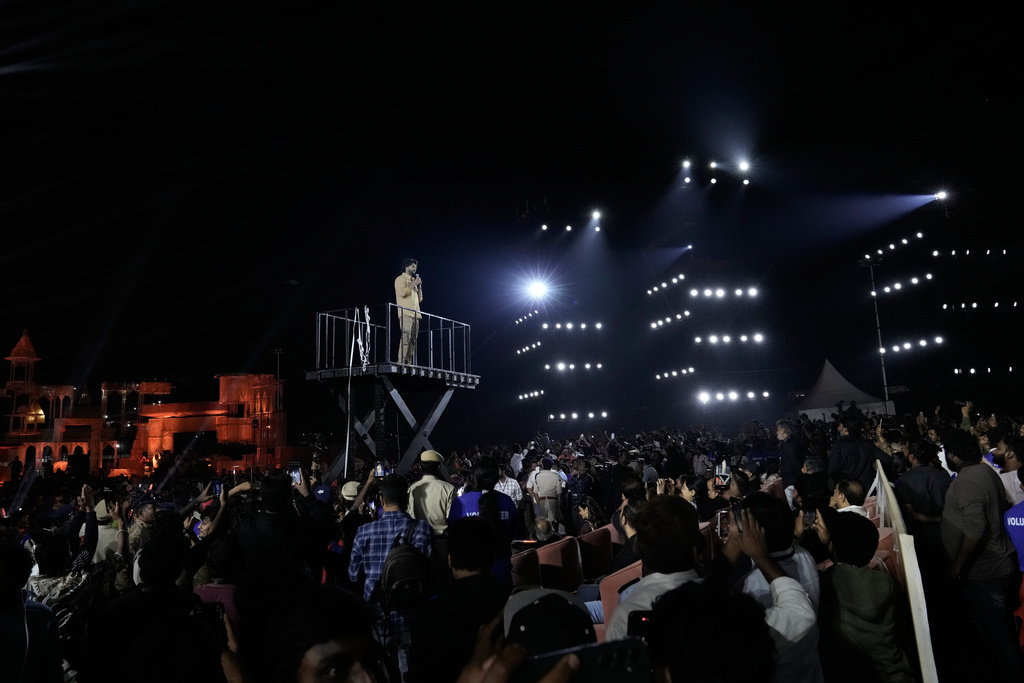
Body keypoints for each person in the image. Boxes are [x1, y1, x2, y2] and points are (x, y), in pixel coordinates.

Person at [941, 428, 1023, 680]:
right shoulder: (983, 471)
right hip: (996, 567)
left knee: (1000, 639)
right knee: (1002, 633)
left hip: (985, 572)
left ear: (952, 454)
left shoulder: (969, 480)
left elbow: (976, 527)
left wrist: (957, 567)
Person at [349, 474, 434, 679]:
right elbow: (430, 571)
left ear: (381, 500)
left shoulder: (363, 531)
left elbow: (353, 575)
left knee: (382, 670)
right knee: (408, 668)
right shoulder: (421, 529)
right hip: (410, 612)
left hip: (377, 612)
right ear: (406, 499)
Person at [407, 450, 456, 537]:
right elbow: (452, 518)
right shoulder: (448, 489)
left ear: (421, 468)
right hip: (441, 541)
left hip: (418, 540)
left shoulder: (412, 488)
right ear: (438, 468)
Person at [395, 258, 423, 364]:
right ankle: (401, 360)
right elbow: (402, 293)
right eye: (412, 266)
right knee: (406, 336)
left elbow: (420, 299)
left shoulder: (413, 281)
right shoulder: (400, 279)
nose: (415, 268)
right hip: (405, 312)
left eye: (415, 267)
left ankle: (408, 361)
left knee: (413, 339)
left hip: (416, 313)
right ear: (406, 267)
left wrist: (419, 287)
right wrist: (413, 284)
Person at [776, 419, 807, 488]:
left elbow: (795, 461)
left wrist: (800, 476)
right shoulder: (796, 440)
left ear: (783, 430)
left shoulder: (788, 444)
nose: (776, 432)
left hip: (791, 477)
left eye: (778, 430)